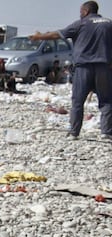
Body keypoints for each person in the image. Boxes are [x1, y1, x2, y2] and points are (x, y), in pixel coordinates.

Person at [30, 1, 112, 140]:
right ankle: (106, 133)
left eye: (81, 11)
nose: (80, 14)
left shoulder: (80, 24)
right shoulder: (108, 23)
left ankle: (74, 133)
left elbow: (57, 34)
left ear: (85, 11)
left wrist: (39, 37)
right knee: (106, 101)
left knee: (78, 101)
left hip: (83, 67)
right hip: (104, 67)